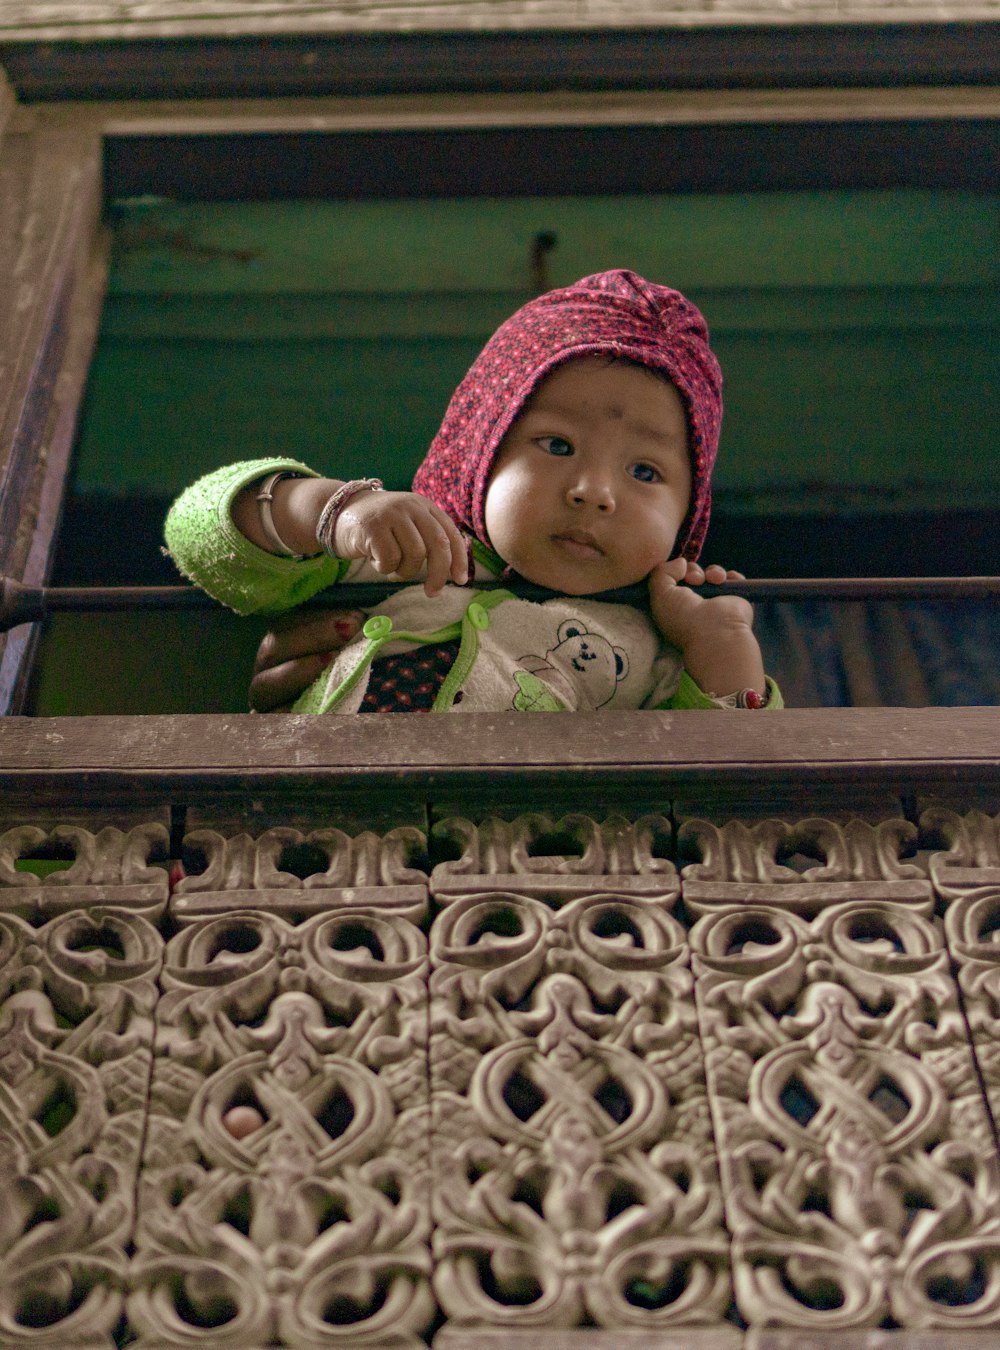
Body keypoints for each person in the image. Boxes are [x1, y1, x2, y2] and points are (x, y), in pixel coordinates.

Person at [165, 270, 780, 715]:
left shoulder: (661, 649)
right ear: (477, 452)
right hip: (319, 859)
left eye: (645, 473)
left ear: (688, 515)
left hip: (543, 880)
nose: (594, 493)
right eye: (558, 446)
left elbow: (737, 788)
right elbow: (196, 536)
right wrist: (334, 512)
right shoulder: (398, 548)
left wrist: (720, 645)